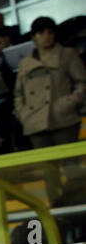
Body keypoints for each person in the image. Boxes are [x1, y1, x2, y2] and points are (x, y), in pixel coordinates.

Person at [14, 15, 86, 203]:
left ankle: (79, 205)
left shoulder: (67, 54)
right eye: (41, 33)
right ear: (34, 37)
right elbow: (18, 94)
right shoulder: (25, 63)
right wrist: (23, 114)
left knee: (71, 165)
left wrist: (70, 102)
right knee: (48, 169)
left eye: (50, 32)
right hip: (35, 122)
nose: (46, 36)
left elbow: (82, 82)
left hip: (63, 118)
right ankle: (58, 210)